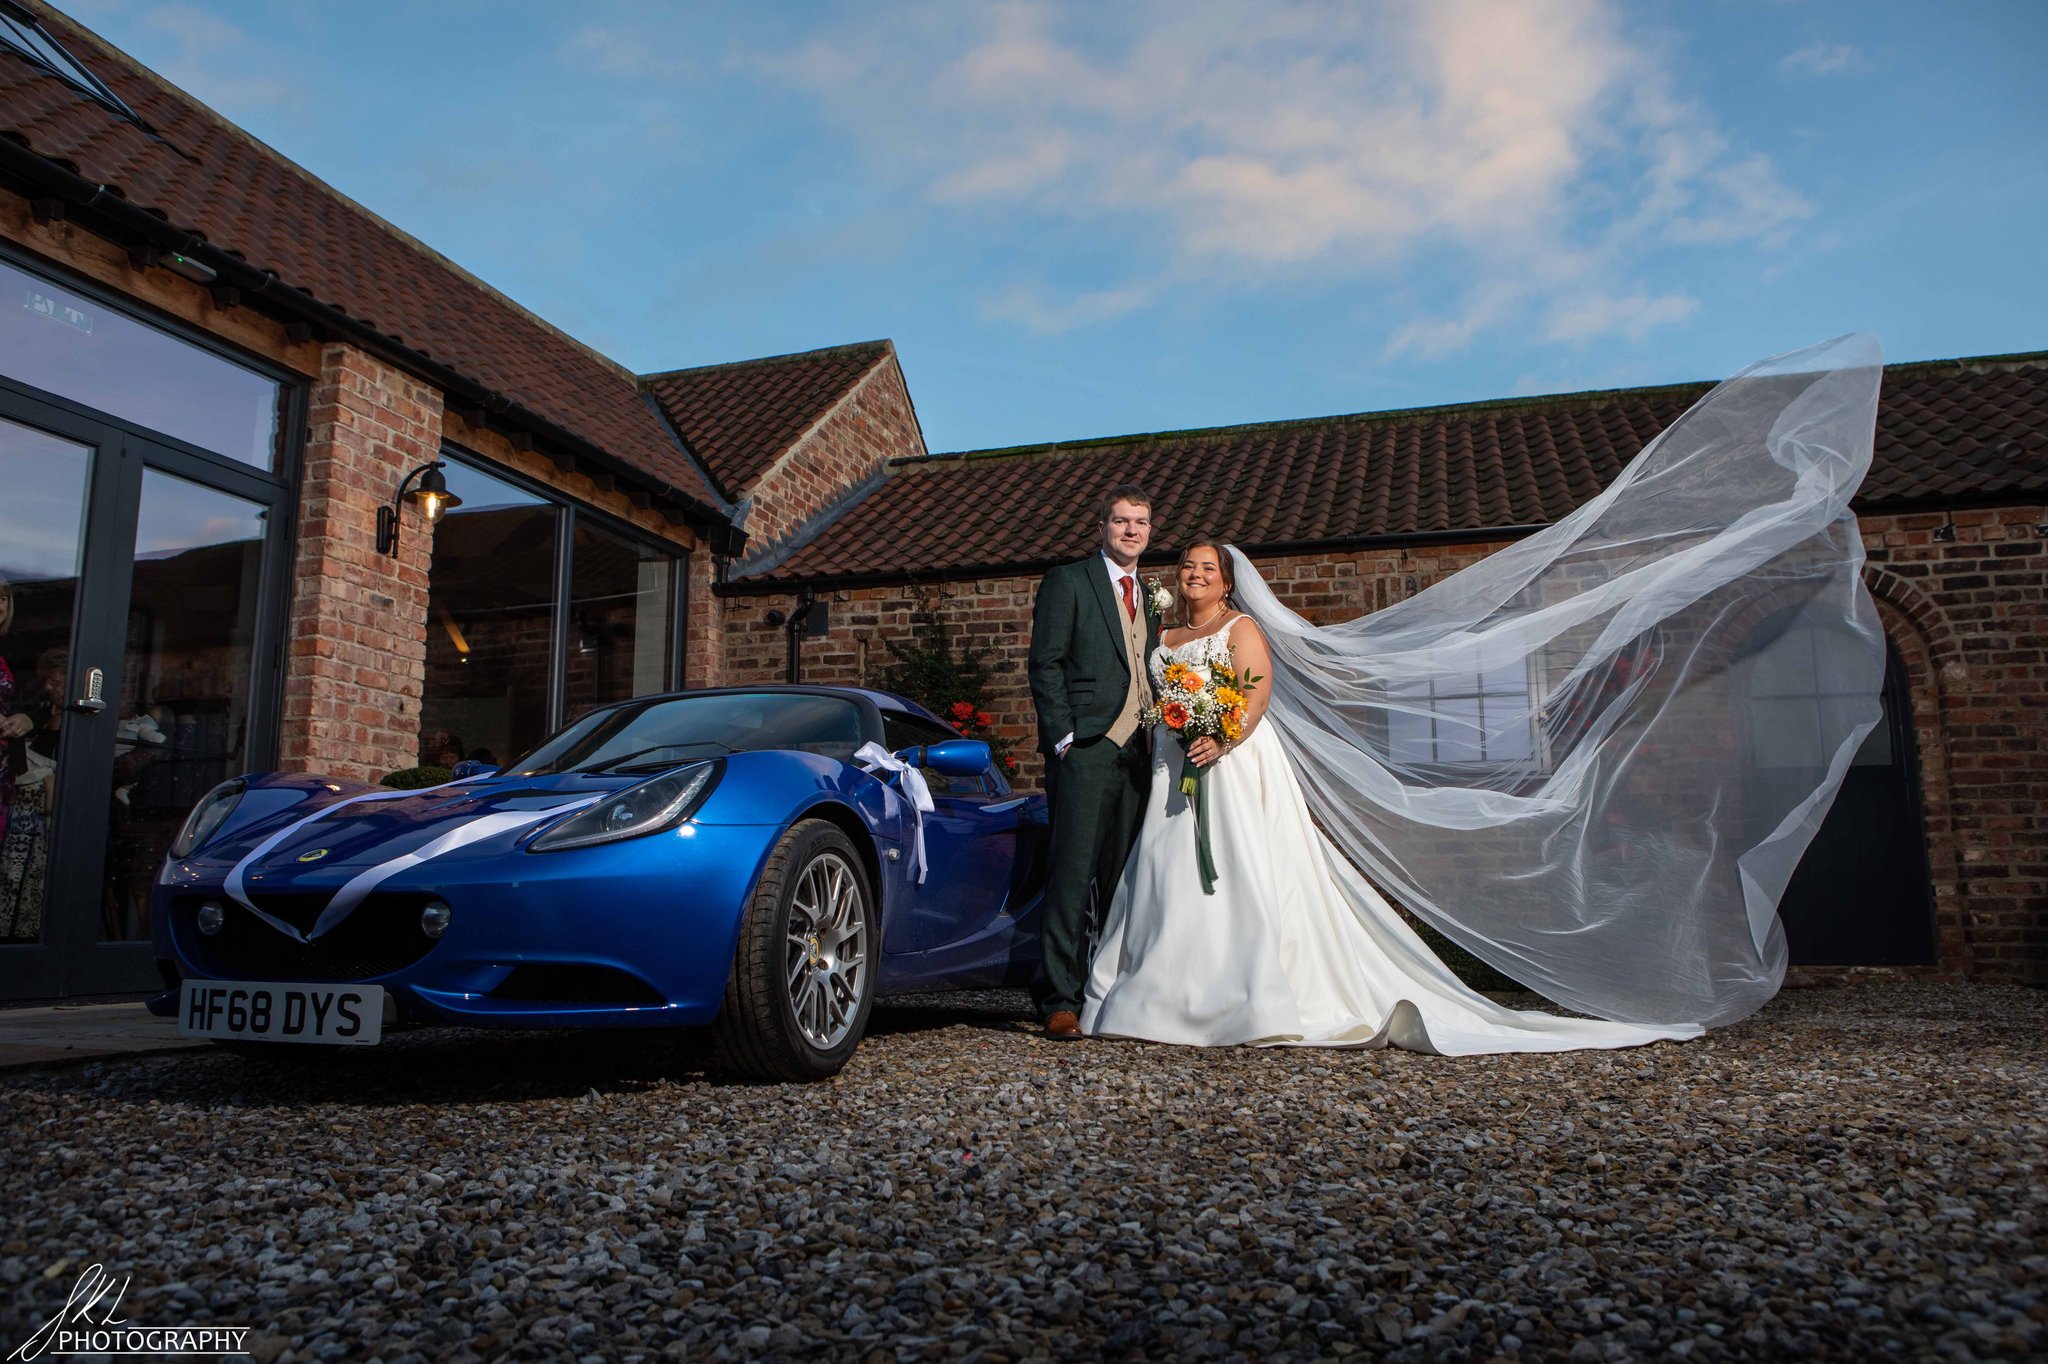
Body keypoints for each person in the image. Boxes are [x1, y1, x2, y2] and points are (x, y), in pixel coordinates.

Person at [1080, 335, 1888, 1053]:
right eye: (1186, 569)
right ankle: (1158, 995)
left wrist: (1223, 734)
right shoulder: (1169, 636)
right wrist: (1177, 729)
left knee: (1245, 880)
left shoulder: (1243, 630)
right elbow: (1161, 694)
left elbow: (1251, 695)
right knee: (1164, 874)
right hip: (1173, 767)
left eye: (1206, 569)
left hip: (1236, 765)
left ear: (1227, 580)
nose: (1194, 577)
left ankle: (1242, 1000)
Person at [1026, 486, 1163, 1039]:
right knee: (1071, 874)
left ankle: (1106, 995)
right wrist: (1062, 737)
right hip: (1085, 749)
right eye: (1121, 521)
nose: (1131, 530)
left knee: (1122, 879)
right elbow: (1046, 662)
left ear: (1150, 531)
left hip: (1140, 754)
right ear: (1102, 527)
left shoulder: (1152, 594)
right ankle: (1058, 999)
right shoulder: (1070, 581)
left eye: (1141, 522)